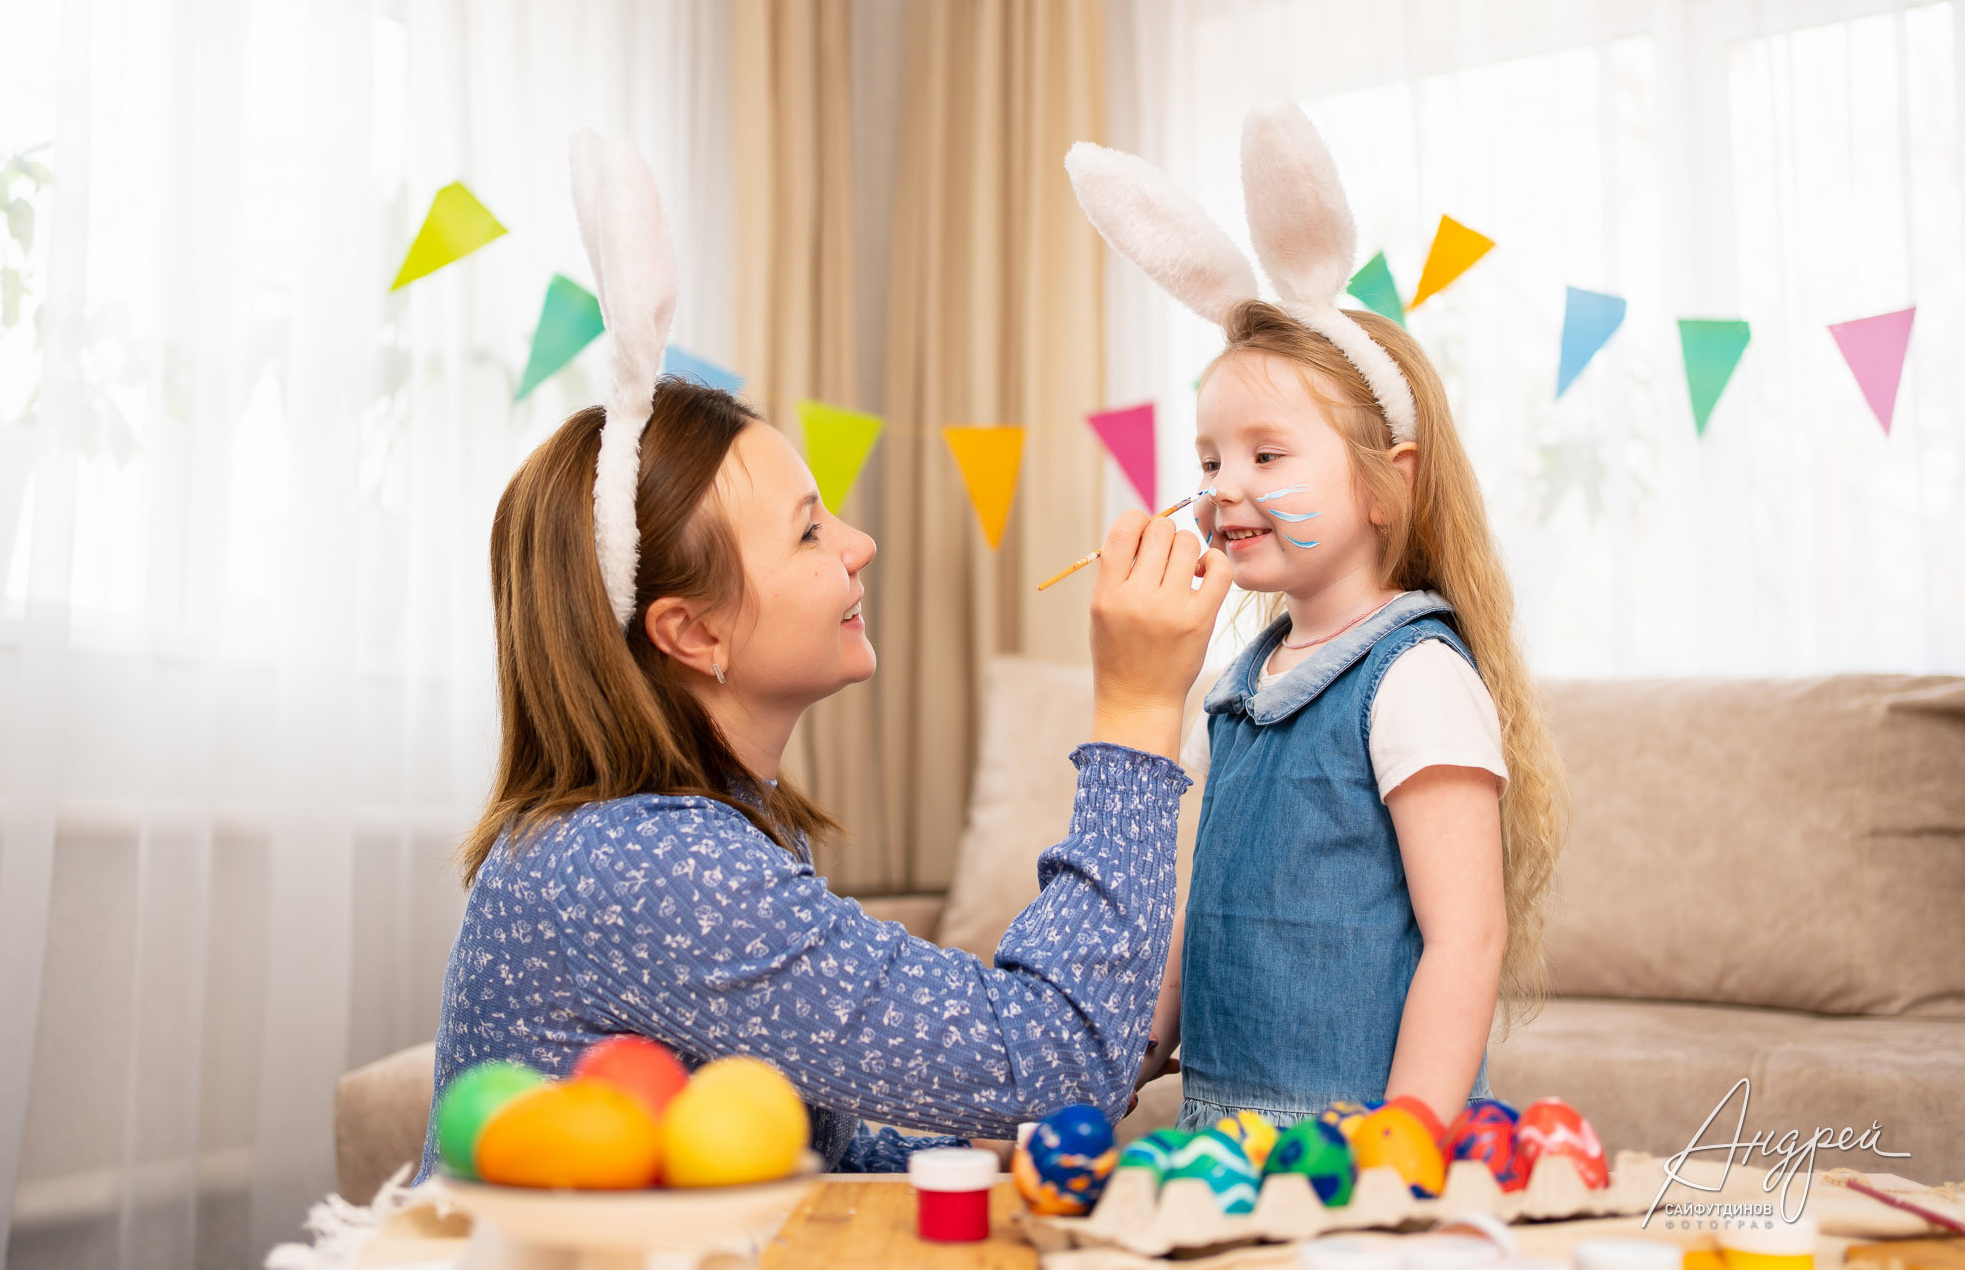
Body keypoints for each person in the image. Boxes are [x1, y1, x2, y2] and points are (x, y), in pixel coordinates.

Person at [415, 132, 1231, 1180]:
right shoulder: (649, 866)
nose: (859, 545)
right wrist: (1134, 706)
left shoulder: (711, 832)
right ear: (690, 632)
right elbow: (1046, 1063)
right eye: (808, 532)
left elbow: (815, 1143)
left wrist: (987, 1121)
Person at [1072, 103, 1566, 1133]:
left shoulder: (1415, 676)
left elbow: (1464, 939)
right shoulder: (1242, 677)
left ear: (1388, 484)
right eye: (1209, 460)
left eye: (1266, 453)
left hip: (1359, 1149)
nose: (1222, 489)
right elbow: (1203, 903)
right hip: (1226, 1129)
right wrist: (1137, 1040)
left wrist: (1408, 1144)